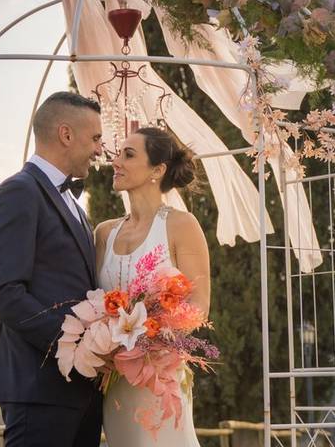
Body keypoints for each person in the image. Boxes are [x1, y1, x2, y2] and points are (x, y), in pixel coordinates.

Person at [0, 91, 105, 446]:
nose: (100, 149)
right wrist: (74, 345)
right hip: (37, 385)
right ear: (66, 135)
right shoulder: (17, 193)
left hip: (80, 389)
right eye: (96, 138)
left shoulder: (71, 201)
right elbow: (3, 293)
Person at [95, 126, 211, 446]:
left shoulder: (181, 225)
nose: (116, 161)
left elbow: (200, 304)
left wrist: (152, 335)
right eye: (118, 153)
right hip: (115, 381)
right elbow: (92, 302)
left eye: (128, 154)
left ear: (157, 170)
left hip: (160, 378)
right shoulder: (104, 233)